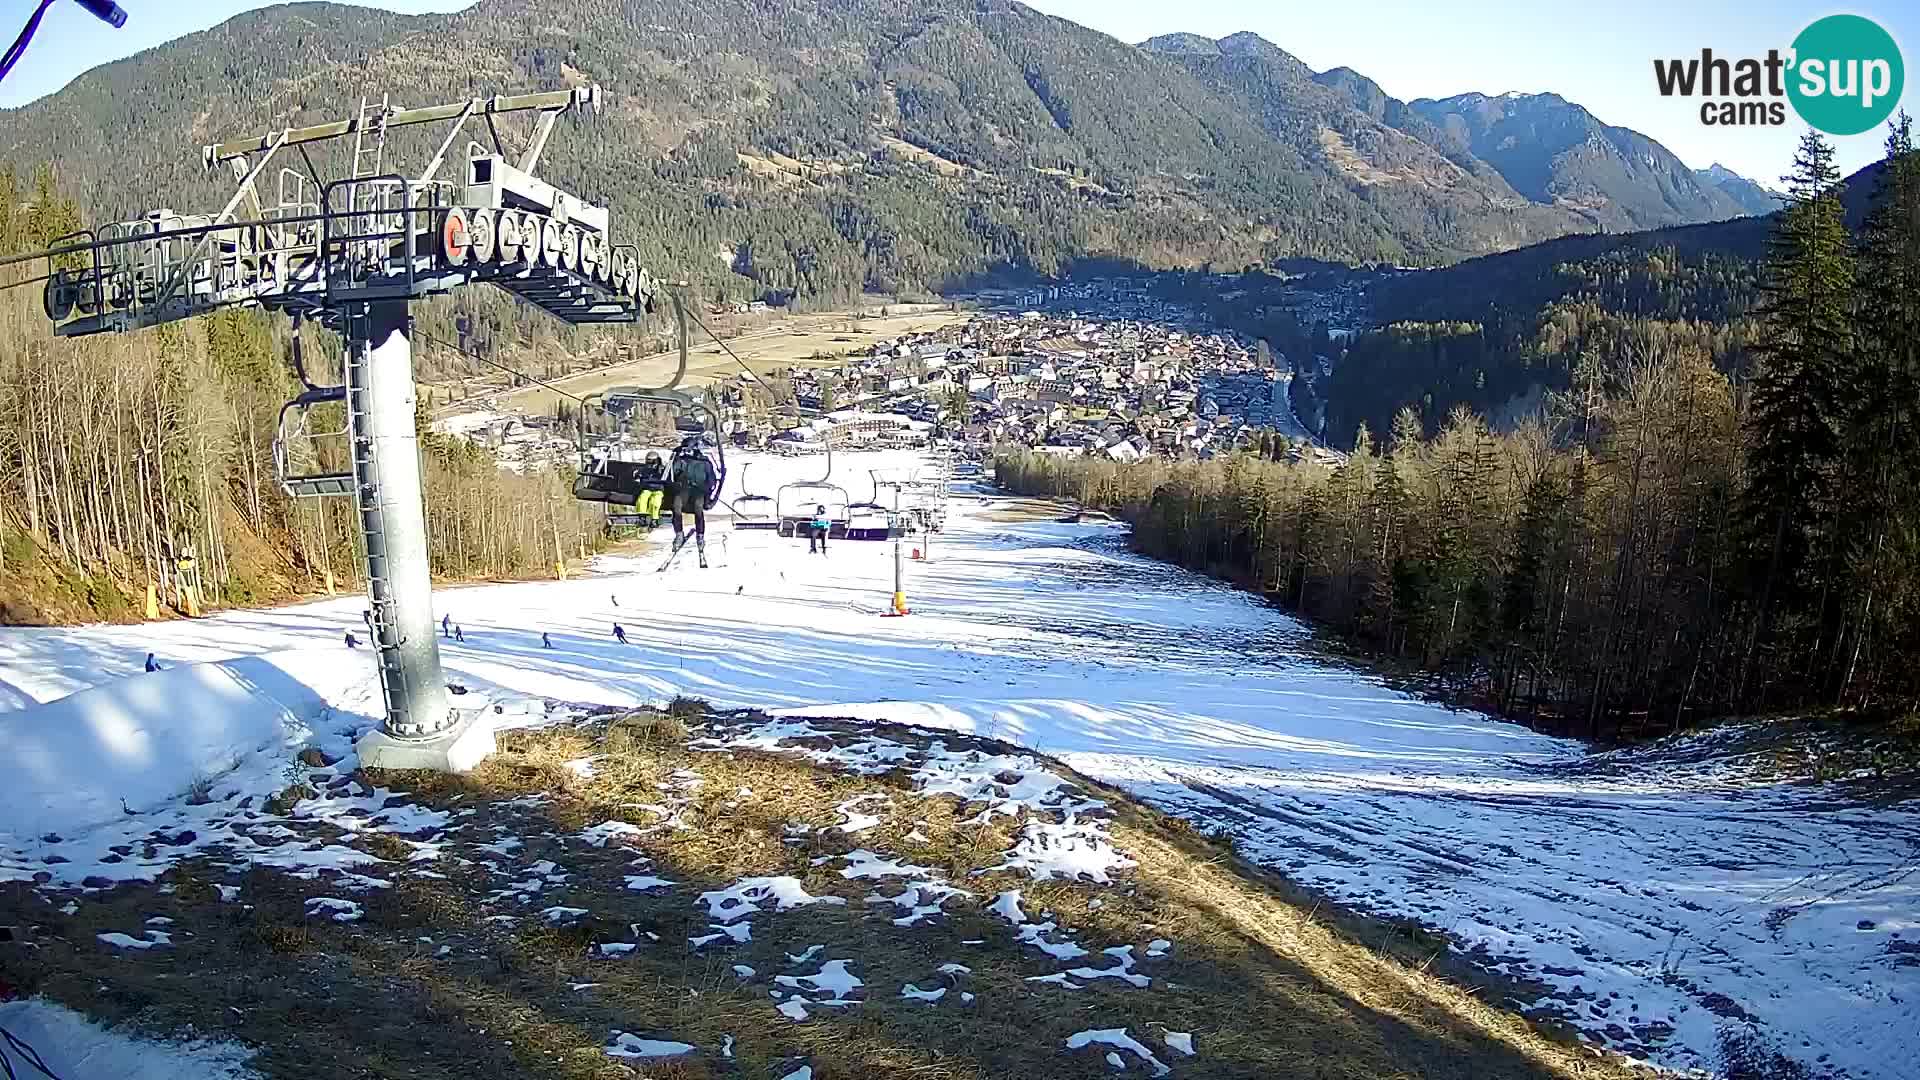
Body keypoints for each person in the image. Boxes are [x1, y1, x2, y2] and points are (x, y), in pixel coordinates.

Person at [667, 435, 720, 569]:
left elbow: (711, 478)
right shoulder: (682, 460)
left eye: (689, 449)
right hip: (684, 488)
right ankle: (679, 534)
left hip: (699, 490)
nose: (687, 452)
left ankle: (700, 536)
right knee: (677, 505)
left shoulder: (704, 462)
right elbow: (673, 471)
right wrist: (676, 457)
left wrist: (708, 489)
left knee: (698, 507)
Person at [635, 450, 666, 528]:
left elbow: (665, 476)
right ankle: (642, 518)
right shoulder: (645, 468)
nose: (649, 464)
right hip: (647, 488)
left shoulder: (661, 469)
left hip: (658, 489)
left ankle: (654, 519)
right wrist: (638, 476)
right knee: (642, 499)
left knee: (655, 502)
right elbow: (638, 474)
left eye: (651, 462)